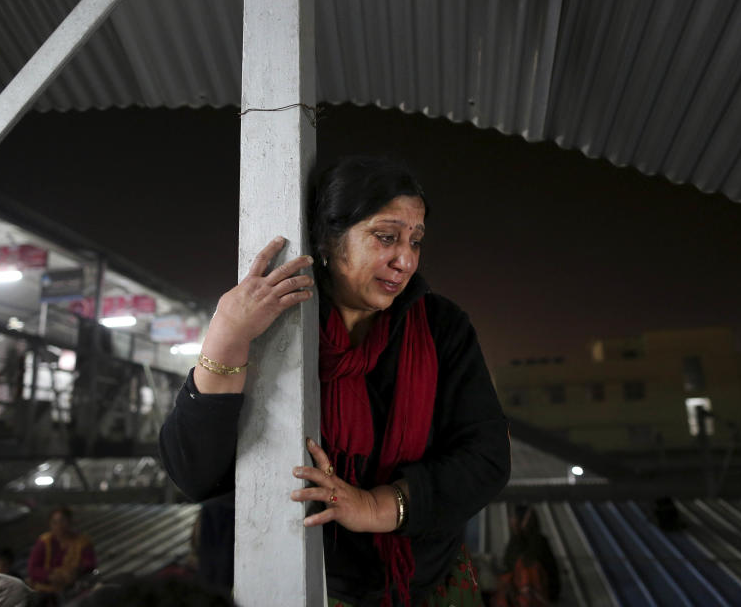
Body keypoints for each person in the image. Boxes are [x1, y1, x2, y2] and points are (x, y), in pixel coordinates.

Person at [160, 156, 511, 606]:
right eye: (386, 237)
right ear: (329, 240)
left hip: (427, 581)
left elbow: (486, 458)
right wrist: (227, 334)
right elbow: (193, 475)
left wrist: (377, 507)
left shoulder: (440, 327)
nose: (405, 260)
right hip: (311, 588)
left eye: (416, 241)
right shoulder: (277, 329)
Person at [493, 505, 559, 607]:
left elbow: (528, 560)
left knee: (527, 567)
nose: (512, 521)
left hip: (535, 591)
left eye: (515, 518)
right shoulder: (515, 541)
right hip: (522, 592)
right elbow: (509, 564)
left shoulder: (539, 541)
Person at [27, 506, 97, 596]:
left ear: (70, 522)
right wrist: (49, 576)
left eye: (62, 521)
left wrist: (75, 571)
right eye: (55, 522)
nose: (59, 526)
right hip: (45, 591)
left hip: (75, 589)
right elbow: (33, 568)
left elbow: (90, 563)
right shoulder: (45, 542)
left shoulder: (82, 542)